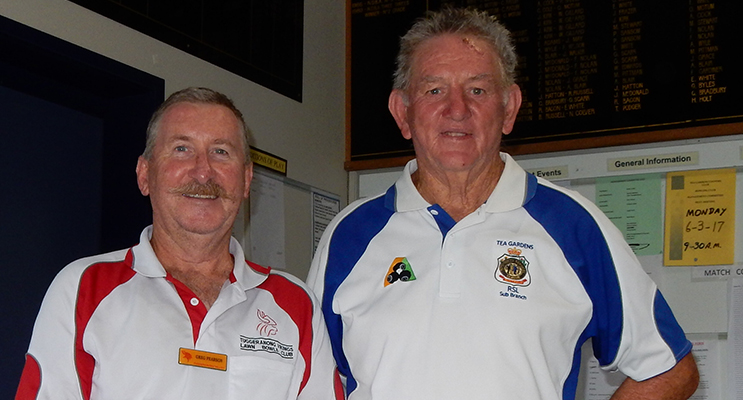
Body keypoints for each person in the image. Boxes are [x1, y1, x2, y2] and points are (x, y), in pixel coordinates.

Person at [307, 7, 698, 400]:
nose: (457, 109)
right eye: (434, 90)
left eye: (477, 90)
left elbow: (668, 369)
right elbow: (307, 381)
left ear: (509, 108)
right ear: (402, 112)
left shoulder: (572, 225)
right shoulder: (349, 235)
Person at [16, 87, 344, 400]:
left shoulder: (295, 305)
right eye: (182, 149)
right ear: (144, 174)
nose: (203, 172)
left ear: (246, 180)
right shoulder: (84, 288)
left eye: (221, 152)